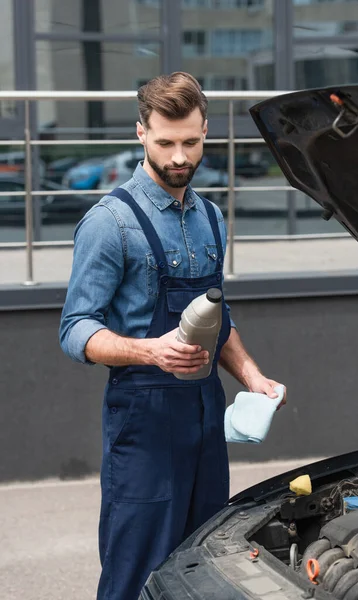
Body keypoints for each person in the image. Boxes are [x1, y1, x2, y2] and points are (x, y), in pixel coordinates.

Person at [59, 72, 287, 600]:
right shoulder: (110, 223)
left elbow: (216, 313)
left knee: (203, 565)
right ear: (141, 133)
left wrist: (252, 377)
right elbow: (75, 331)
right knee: (135, 571)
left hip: (205, 414)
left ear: (206, 130)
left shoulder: (210, 217)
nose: (180, 156)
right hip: (143, 419)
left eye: (191, 141)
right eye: (165, 142)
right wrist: (150, 351)